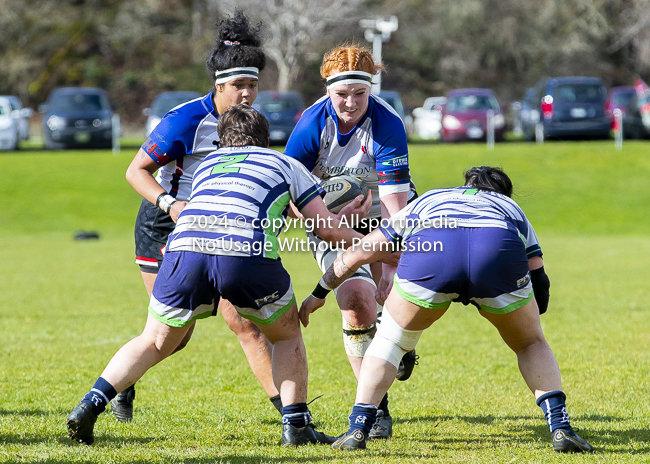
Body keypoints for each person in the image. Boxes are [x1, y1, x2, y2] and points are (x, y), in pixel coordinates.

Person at [67, 104, 370, 446]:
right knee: (285, 335)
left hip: (183, 250)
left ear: (222, 141)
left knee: (153, 340)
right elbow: (325, 229)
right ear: (265, 139)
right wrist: (372, 242)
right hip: (243, 253)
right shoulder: (285, 163)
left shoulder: (207, 167)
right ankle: (297, 427)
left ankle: (89, 405)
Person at [299, 166, 594, 453]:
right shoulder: (508, 207)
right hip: (495, 250)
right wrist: (528, 317)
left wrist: (318, 293)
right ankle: (560, 428)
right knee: (531, 344)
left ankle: (358, 428)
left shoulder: (432, 198)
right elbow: (538, 278)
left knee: (389, 341)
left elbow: (359, 252)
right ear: (504, 192)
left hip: (435, 251)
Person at [117, 10, 282, 421]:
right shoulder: (185, 120)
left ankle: (290, 416)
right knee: (177, 335)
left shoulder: (252, 123)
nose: (247, 94)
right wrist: (171, 204)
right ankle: (122, 382)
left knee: (245, 323)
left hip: (223, 230)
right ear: (219, 84)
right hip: (165, 228)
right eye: (238, 85)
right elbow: (135, 170)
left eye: (253, 85)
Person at [283, 43, 418, 438]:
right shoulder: (310, 125)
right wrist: (326, 218)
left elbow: (395, 203)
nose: (351, 102)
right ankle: (376, 407)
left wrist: (392, 264)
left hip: (385, 220)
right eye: (342, 94)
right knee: (358, 301)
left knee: (392, 300)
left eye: (360, 93)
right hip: (328, 222)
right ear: (327, 89)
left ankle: (399, 339)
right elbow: (288, 198)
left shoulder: (386, 122)